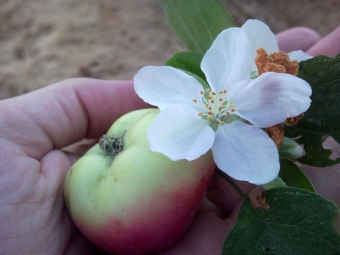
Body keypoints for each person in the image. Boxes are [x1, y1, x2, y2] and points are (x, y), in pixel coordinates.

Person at [0, 25, 339, 254]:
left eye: (217, 102)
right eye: (212, 100)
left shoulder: (232, 127)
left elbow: (237, 52)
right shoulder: (180, 129)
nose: (215, 103)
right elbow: (164, 131)